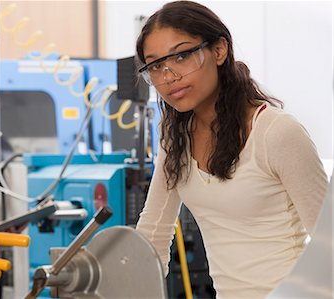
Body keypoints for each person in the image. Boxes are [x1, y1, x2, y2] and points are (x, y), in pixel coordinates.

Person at [135, 1, 328, 298]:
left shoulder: (276, 132)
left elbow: (328, 243)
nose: (169, 76)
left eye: (182, 55)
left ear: (219, 50)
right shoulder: (174, 137)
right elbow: (153, 233)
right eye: (156, 65)